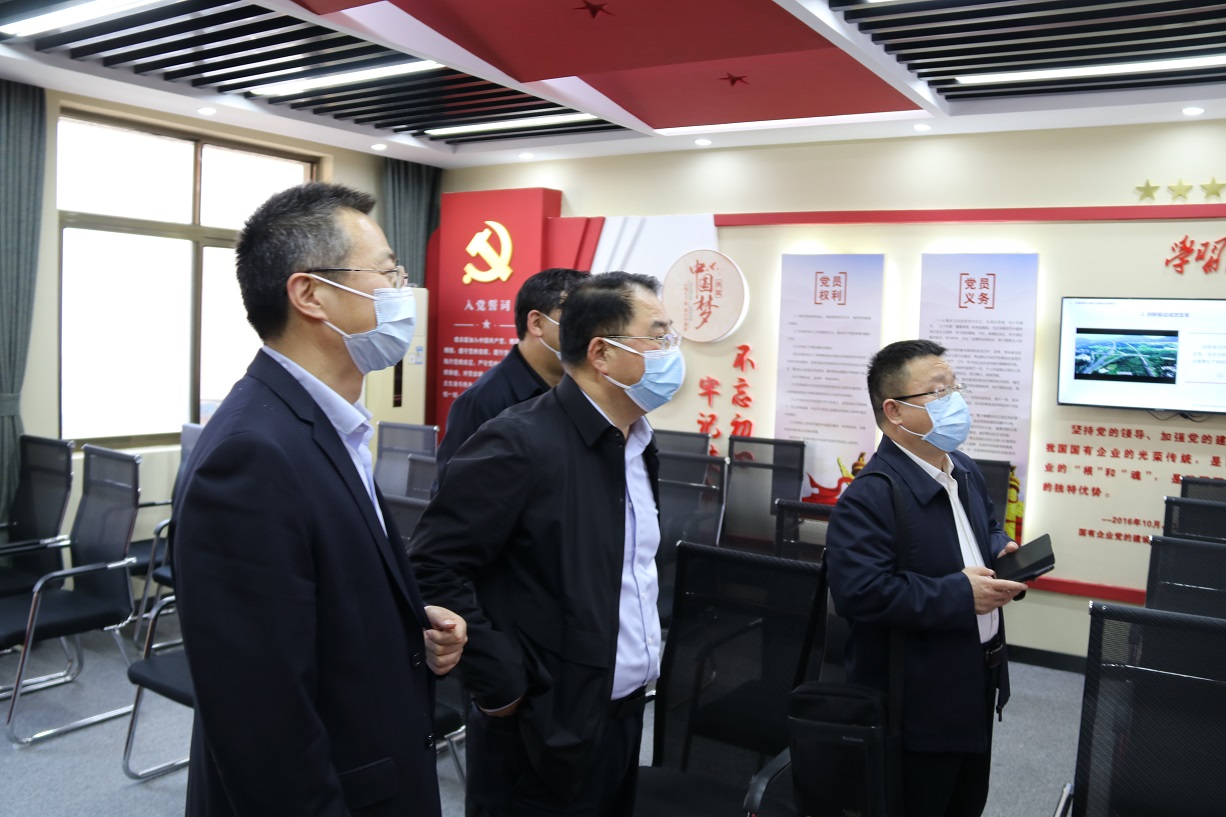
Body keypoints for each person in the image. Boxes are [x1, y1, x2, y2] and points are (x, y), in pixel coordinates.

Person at [173, 182, 467, 817]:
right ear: (310, 294)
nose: (403, 292)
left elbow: (314, 602)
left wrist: (406, 625)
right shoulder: (252, 455)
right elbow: (261, 718)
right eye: (388, 272)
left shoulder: (326, 425)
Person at [409, 271, 684, 817]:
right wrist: (503, 686)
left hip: (622, 714)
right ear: (602, 354)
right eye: (658, 336)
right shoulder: (519, 441)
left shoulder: (636, 443)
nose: (671, 352)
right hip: (540, 726)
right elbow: (431, 566)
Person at [826, 339, 1027, 817]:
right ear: (894, 411)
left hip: (977, 677)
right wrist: (960, 593)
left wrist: (999, 548)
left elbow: (985, 527)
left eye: (955, 387)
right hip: (917, 699)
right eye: (938, 392)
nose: (955, 400)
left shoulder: (963, 469)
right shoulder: (869, 497)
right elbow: (860, 594)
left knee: (966, 801)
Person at [434, 267, 589, 487]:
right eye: (577, 320)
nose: (589, 334)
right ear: (536, 323)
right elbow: (454, 494)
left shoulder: (583, 390)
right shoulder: (483, 400)